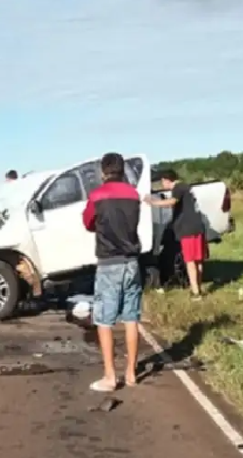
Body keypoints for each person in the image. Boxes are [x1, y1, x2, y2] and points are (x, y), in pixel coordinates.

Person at [82, 152, 142, 392]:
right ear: (123, 169)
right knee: (131, 318)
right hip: (132, 262)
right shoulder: (133, 194)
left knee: (104, 320)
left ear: (103, 171)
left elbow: (88, 223)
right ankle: (131, 373)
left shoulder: (97, 196)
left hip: (109, 263)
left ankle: (110, 376)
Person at [143, 169, 208, 299]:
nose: (162, 185)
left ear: (167, 180)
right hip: (197, 227)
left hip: (187, 229)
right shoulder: (187, 187)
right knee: (198, 260)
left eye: (162, 182)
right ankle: (198, 287)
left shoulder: (178, 188)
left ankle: (195, 292)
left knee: (190, 261)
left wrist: (153, 202)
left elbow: (172, 201)